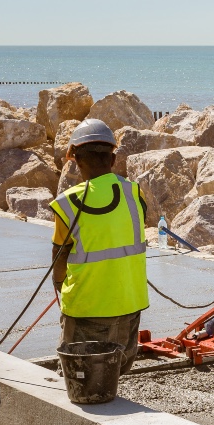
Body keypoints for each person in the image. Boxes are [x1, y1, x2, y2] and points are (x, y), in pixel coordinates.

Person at [49, 119, 149, 375]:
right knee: (113, 375)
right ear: (113, 159)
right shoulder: (134, 194)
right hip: (129, 304)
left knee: (80, 377)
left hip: (86, 309)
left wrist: (60, 286)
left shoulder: (69, 203)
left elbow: (59, 257)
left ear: (74, 158)